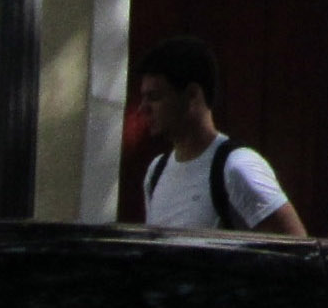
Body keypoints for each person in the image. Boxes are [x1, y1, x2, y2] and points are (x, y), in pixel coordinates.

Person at [133, 35, 310, 236]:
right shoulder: (156, 171)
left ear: (192, 95)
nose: (142, 109)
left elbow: (297, 250)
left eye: (154, 97)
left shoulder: (237, 167)